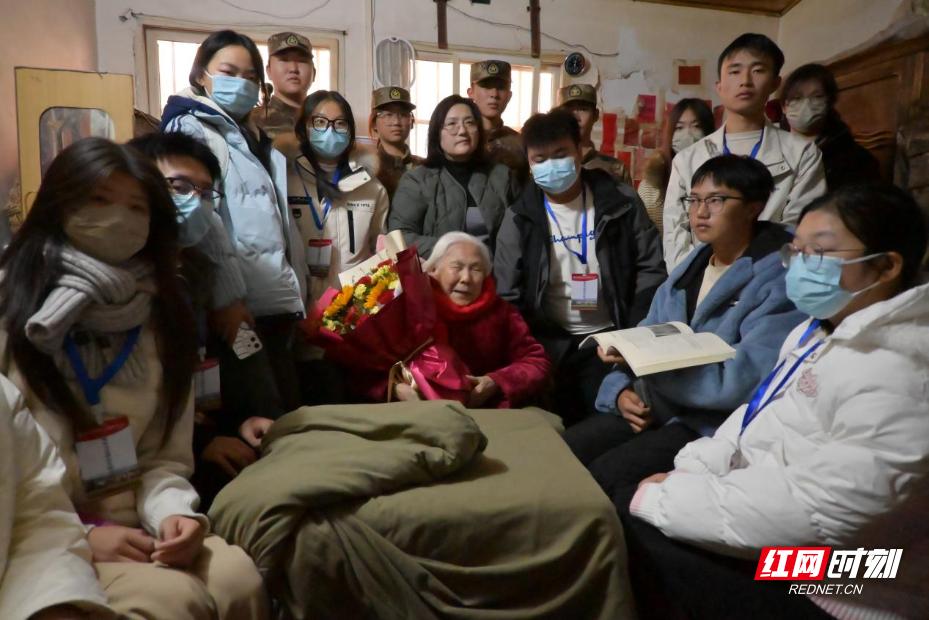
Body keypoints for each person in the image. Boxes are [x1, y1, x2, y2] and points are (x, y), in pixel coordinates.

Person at [625, 184, 929, 619]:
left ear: (886, 266)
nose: (800, 267)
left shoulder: (903, 370)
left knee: (634, 531)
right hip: (792, 533)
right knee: (626, 510)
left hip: (855, 577)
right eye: (796, 251)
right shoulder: (820, 329)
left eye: (818, 254)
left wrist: (668, 499)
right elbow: (757, 416)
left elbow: (822, 512)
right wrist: (692, 473)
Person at [0, 138, 268, 619]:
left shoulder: (162, 312)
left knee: (239, 580)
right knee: (172, 602)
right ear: (59, 203)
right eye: (99, 199)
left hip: (138, 520)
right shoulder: (12, 303)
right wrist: (82, 534)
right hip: (42, 533)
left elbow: (164, 457)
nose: (118, 218)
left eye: (135, 207)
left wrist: (174, 514)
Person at [565, 154, 806, 510]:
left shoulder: (777, 279)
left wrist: (653, 374)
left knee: (602, 478)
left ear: (754, 207)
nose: (700, 212)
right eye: (693, 200)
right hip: (656, 404)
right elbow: (647, 334)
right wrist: (619, 390)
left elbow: (744, 380)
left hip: (710, 424)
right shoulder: (692, 266)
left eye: (716, 200)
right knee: (563, 453)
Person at [161, 29, 307, 434]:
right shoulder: (192, 129)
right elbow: (201, 216)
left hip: (267, 302)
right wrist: (226, 296)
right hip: (233, 306)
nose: (240, 84)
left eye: (249, 77)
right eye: (228, 72)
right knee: (260, 419)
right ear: (201, 75)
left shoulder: (249, 136)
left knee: (286, 416)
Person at [494, 109, 666, 426]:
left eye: (561, 154)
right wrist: (529, 350)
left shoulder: (621, 201)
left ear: (579, 151)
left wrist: (632, 336)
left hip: (612, 338)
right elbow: (508, 294)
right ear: (529, 164)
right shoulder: (519, 217)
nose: (552, 165)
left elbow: (651, 269)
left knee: (611, 419)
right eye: (540, 159)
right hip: (550, 343)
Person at [128, 131, 262, 504]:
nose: (194, 203)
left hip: (196, 438)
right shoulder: (118, 286)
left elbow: (233, 350)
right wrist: (202, 443)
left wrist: (246, 418)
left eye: (204, 194)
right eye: (178, 186)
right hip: (140, 466)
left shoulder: (198, 271)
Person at [663, 33, 827, 271]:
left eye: (758, 70)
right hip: (702, 279)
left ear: (775, 83)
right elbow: (675, 233)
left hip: (767, 279)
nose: (745, 81)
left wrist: (752, 279)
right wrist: (694, 281)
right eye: (735, 71)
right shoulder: (688, 159)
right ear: (719, 86)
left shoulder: (802, 154)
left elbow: (798, 231)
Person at [392, 231, 552, 407]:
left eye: (476, 269)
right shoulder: (411, 307)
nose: (466, 278)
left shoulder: (501, 313)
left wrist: (496, 381)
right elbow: (376, 367)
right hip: (419, 411)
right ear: (433, 269)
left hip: (487, 411)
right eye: (456, 267)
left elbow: (537, 362)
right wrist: (395, 387)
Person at [0, 375, 113, 620]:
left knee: (174, 594)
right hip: (87, 531)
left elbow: (38, 520)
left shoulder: (3, 395)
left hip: (123, 531)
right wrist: (88, 533)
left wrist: (52, 603)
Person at [288, 90, 389, 301]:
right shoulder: (287, 180)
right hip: (298, 302)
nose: (330, 130)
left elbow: (380, 252)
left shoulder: (371, 188)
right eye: (320, 122)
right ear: (304, 127)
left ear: (350, 131)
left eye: (340, 123)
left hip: (350, 306)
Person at [389, 94, 519, 258]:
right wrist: (452, 251)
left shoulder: (502, 176)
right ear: (437, 133)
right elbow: (400, 238)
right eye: (451, 124)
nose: (462, 131)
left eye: (470, 123)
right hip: (437, 271)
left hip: (494, 271)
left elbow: (518, 232)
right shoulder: (417, 180)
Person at [781, 63, 881, 189]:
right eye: (797, 98)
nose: (806, 104)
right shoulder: (771, 148)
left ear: (829, 103)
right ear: (784, 107)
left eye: (817, 97)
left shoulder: (856, 160)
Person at [637, 98, 715, 234]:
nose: (688, 134)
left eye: (696, 126)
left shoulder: (721, 177)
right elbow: (643, 234)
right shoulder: (652, 183)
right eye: (679, 128)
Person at [467, 60, 529, 184]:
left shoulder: (520, 144)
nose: (494, 94)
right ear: (471, 92)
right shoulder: (460, 138)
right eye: (486, 86)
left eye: (501, 87)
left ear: (509, 95)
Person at [557, 83, 632, 184]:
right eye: (568, 110)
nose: (575, 118)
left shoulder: (615, 170)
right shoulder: (549, 168)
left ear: (595, 115)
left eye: (583, 109)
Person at [253, 31, 315, 147]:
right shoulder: (252, 121)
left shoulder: (326, 121)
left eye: (302, 61)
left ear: (314, 73)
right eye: (284, 60)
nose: (293, 69)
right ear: (269, 71)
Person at [368, 86, 424, 201]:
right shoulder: (367, 169)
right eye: (388, 114)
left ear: (411, 122)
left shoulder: (425, 167)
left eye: (403, 115)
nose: (396, 122)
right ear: (374, 123)